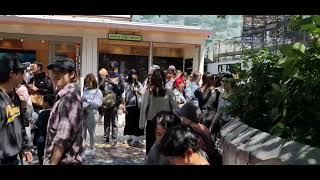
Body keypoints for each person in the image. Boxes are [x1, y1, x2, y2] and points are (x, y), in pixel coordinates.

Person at [43, 57, 84, 165]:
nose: (56, 75)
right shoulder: (63, 95)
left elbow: (62, 138)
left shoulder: (70, 98)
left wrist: (52, 163)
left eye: (61, 72)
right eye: (54, 72)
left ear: (72, 75)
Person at [0, 54, 33, 165]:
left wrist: (25, 147)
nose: (24, 75)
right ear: (11, 74)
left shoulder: (15, 96)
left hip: (15, 158)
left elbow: (18, 124)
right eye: (21, 72)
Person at [139, 69, 177, 154]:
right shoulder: (169, 92)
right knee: (164, 150)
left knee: (151, 150)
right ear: (164, 79)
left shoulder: (148, 92)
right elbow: (175, 109)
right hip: (165, 124)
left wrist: (142, 125)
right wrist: (176, 123)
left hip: (152, 124)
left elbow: (143, 108)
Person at [174, 101, 222, 166]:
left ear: (188, 120)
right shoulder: (202, 127)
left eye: (182, 116)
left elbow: (201, 156)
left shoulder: (195, 136)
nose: (180, 118)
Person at [99, 61, 125, 146]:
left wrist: (113, 84)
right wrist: (104, 81)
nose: (110, 71)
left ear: (116, 69)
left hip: (114, 103)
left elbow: (121, 90)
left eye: (112, 69)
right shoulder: (106, 77)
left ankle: (114, 139)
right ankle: (105, 138)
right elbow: (100, 88)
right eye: (109, 69)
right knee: (106, 122)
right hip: (106, 103)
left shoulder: (120, 77)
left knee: (114, 122)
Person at [209, 73, 235, 144]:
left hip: (233, 125)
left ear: (231, 82)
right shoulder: (221, 95)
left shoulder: (236, 96)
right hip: (223, 124)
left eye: (226, 81)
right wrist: (212, 125)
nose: (224, 83)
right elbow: (219, 112)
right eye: (222, 81)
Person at [82, 74, 103, 157]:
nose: (87, 84)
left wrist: (87, 100)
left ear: (93, 82)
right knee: (83, 131)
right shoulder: (85, 90)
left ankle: (92, 149)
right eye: (86, 83)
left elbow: (99, 104)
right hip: (84, 112)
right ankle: (82, 148)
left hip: (92, 112)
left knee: (91, 132)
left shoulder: (98, 91)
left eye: (88, 82)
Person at [123, 69, 144, 146]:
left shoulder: (139, 84)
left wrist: (137, 91)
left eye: (135, 74)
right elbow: (123, 96)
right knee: (128, 122)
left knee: (137, 122)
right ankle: (129, 138)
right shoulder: (126, 84)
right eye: (133, 74)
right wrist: (124, 106)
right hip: (129, 106)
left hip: (138, 106)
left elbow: (143, 94)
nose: (134, 76)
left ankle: (137, 139)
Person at [34, 94, 55, 165]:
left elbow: (38, 125)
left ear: (46, 103)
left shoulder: (43, 113)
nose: (42, 103)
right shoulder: (56, 113)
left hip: (42, 138)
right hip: (53, 140)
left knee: (42, 159)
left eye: (43, 102)